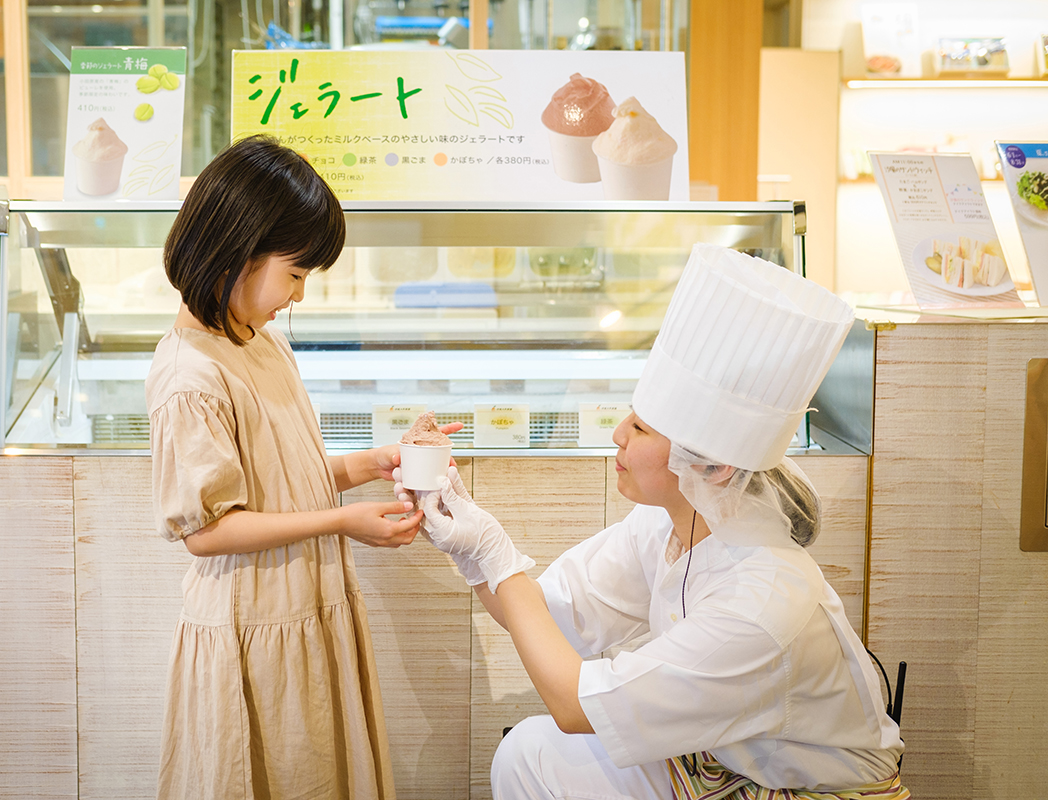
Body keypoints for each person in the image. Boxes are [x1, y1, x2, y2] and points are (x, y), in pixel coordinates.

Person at [398, 244, 909, 800]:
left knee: (552, 739)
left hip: (810, 792)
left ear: (712, 467)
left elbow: (575, 707)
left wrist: (495, 550)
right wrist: (468, 542)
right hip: (719, 767)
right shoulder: (669, 523)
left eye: (641, 429)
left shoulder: (761, 606)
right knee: (529, 752)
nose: (618, 434)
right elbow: (539, 613)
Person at [146, 135, 451, 800]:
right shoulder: (190, 376)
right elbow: (208, 531)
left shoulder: (260, 340)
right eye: (295, 274)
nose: (299, 296)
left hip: (305, 605)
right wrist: (343, 521)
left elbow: (281, 478)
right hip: (252, 625)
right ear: (237, 250)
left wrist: (370, 464)